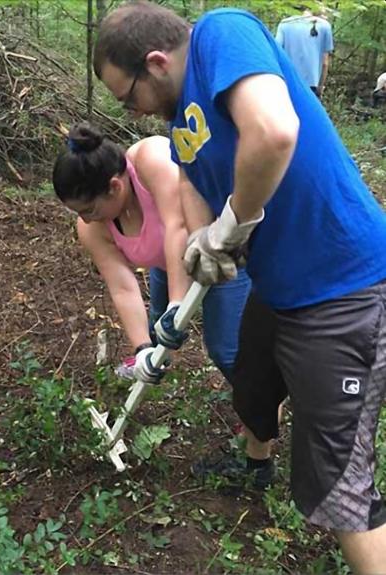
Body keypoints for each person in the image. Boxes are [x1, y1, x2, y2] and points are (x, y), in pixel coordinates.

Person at [93, 2, 386, 573]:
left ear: (155, 63)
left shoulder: (222, 35)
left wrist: (235, 222)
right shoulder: (182, 124)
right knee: (251, 384)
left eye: (126, 95)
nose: (129, 109)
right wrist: (204, 237)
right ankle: (256, 466)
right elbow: (191, 185)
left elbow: (274, 131)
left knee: (335, 483)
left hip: (343, 287)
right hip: (280, 290)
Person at [52, 122, 275, 488]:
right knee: (159, 332)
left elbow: (178, 225)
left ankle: (260, 442)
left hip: (218, 251)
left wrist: (177, 301)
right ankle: (162, 354)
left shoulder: (152, 159)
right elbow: (122, 285)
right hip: (168, 260)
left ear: (115, 186)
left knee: (228, 350)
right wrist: (142, 348)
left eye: (90, 208)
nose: (86, 218)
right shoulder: (91, 225)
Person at [275, 6, 334, 98]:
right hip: (312, 83)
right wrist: (320, 87)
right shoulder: (325, 26)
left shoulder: (285, 24)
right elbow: (325, 63)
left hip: (288, 81)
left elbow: (277, 54)